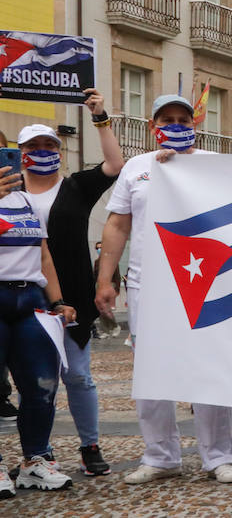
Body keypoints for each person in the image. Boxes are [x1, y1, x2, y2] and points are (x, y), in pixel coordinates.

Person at [95, 94, 232, 485]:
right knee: (151, 372)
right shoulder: (136, 168)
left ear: (195, 123)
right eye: (167, 119)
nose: (176, 124)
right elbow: (117, 225)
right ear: (152, 126)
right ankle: (160, 456)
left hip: (201, 281)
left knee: (208, 366)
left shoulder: (214, 165)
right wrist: (105, 279)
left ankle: (217, 456)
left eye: (183, 118)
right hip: (147, 285)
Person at [18, 88, 124, 478]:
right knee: (35, 379)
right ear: (21, 150)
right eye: (35, 145)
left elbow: (114, 166)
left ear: (59, 150)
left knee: (78, 376)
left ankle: (89, 445)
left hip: (73, 297)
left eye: (50, 144)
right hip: (23, 296)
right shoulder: (9, 190)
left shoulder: (76, 186)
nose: (43, 150)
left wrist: (100, 117)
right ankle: (39, 453)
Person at [0, 159, 78, 496]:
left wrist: (58, 301)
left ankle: (35, 460)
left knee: (41, 384)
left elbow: (43, 253)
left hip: (30, 298)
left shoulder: (26, 200)